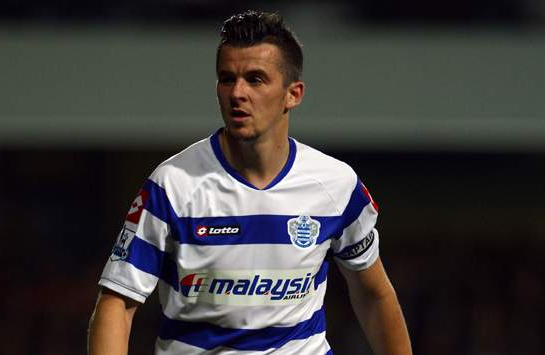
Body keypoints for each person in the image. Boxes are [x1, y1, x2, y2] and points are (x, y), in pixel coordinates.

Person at [88, 10, 412, 355]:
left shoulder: (337, 185)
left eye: (255, 79)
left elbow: (373, 294)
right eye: (227, 79)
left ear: (294, 94)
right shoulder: (173, 185)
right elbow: (117, 304)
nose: (237, 93)